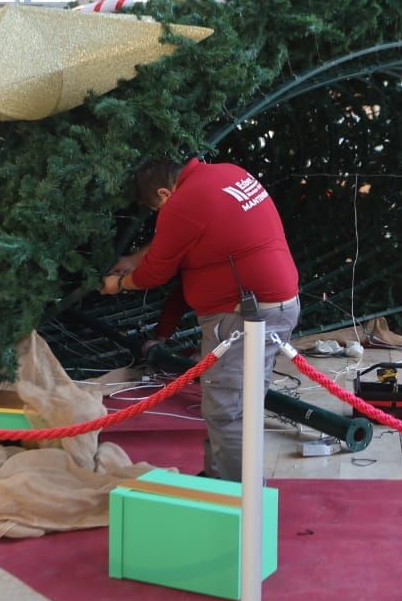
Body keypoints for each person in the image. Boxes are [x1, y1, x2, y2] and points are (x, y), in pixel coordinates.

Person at [102, 158, 301, 481]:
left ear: (165, 193)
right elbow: (177, 239)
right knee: (240, 403)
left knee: (227, 411)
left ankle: (242, 501)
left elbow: (156, 272)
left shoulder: (183, 204)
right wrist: (133, 259)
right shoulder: (228, 173)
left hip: (243, 316)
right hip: (276, 305)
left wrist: (119, 284)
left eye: (157, 208)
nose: (160, 216)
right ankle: (219, 479)